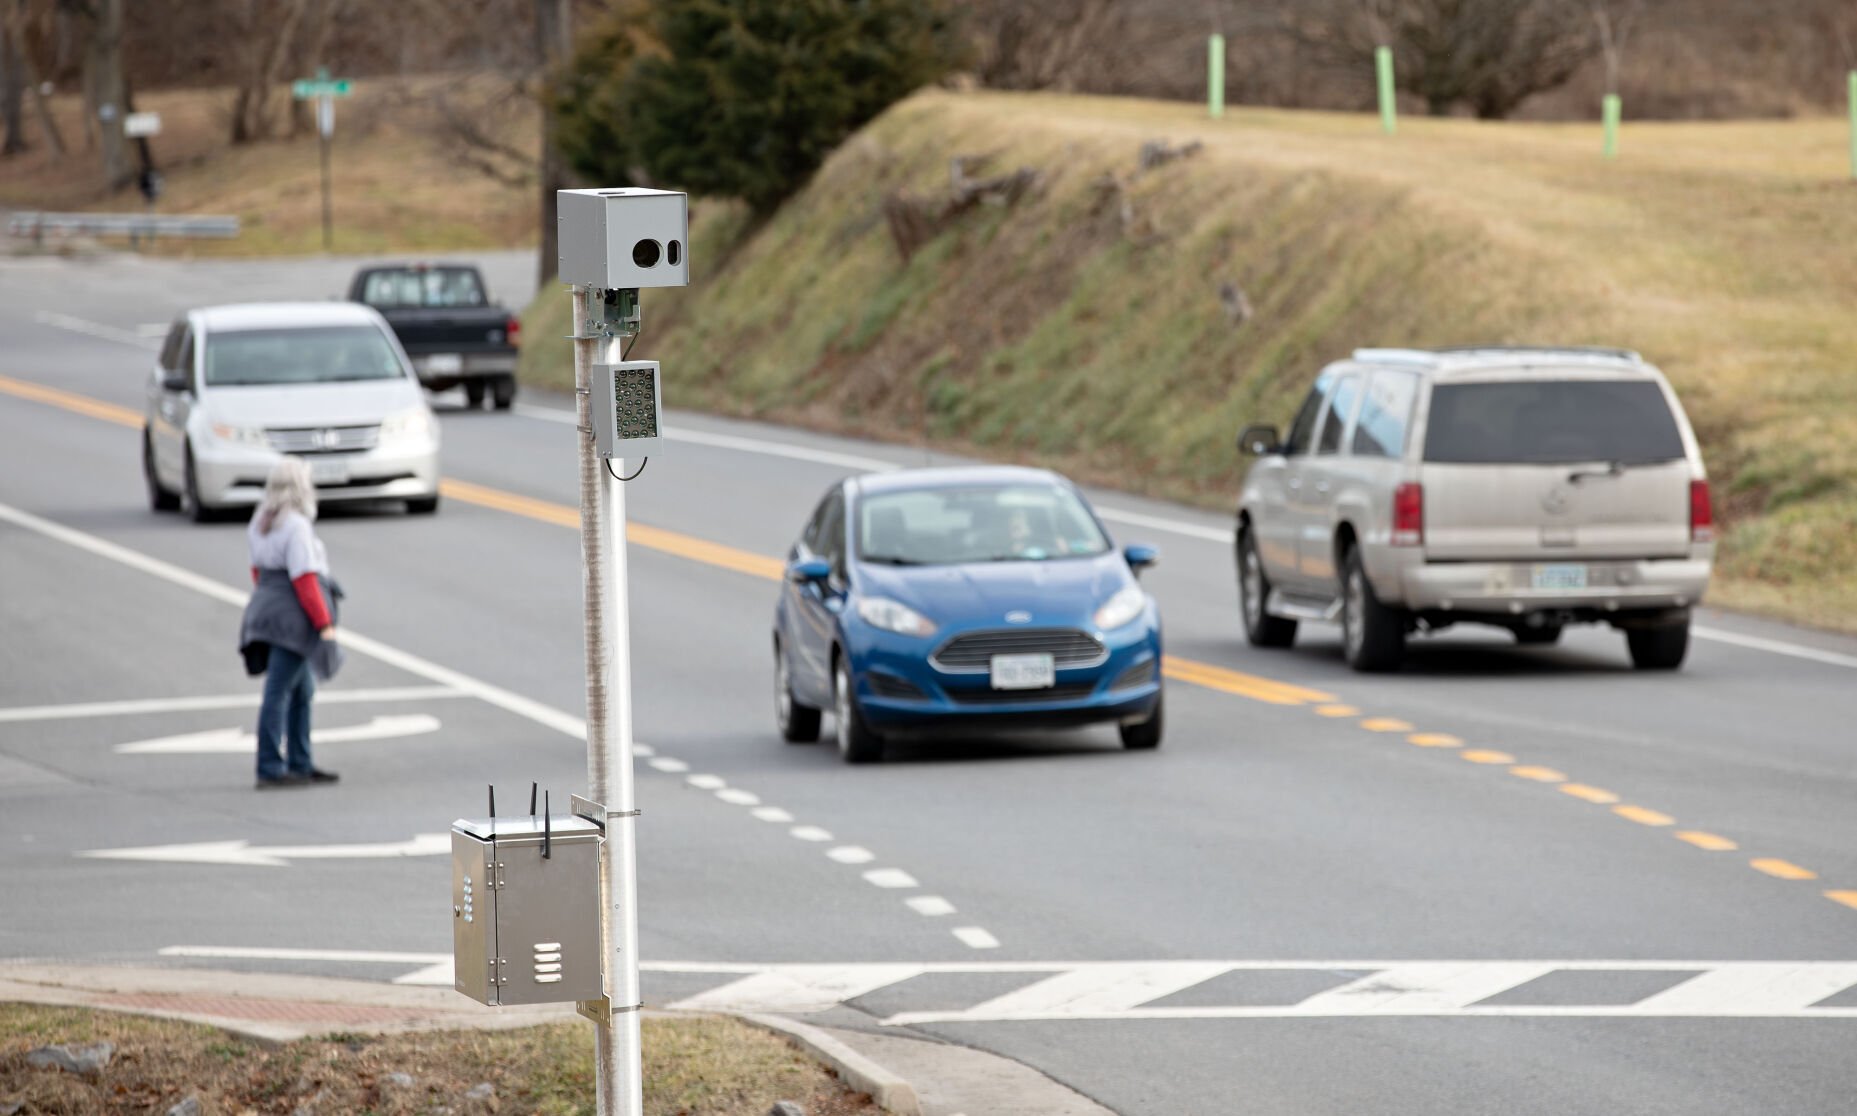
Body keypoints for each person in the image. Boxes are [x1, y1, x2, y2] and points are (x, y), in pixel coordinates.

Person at [237, 458, 343, 789]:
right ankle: (270, 766)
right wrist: (323, 624)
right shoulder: (296, 526)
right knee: (279, 690)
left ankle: (300, 761)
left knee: (302, 689)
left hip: (266, 608)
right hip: (291, 618)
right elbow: (305, 580)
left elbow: (257, 571)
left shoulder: (261, 520)